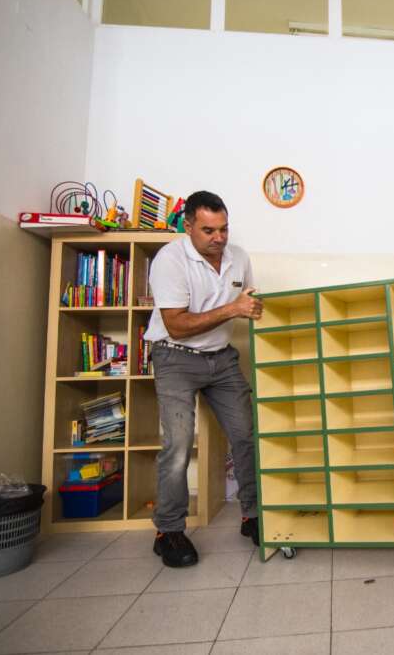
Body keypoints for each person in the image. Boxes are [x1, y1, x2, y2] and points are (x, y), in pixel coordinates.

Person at [144, 191, 263, 567]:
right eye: (209, 230)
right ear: (188, 226)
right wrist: (233, 308)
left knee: (246, 436)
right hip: (175, 357)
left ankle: (253, 516)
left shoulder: (239, 257)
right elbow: (177, 325)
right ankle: (168, 531)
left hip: (221, 358)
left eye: (224, 229)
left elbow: (249, 302)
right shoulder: (170, 260)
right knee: (178, 445)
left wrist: (256, 308)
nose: (219, 237)